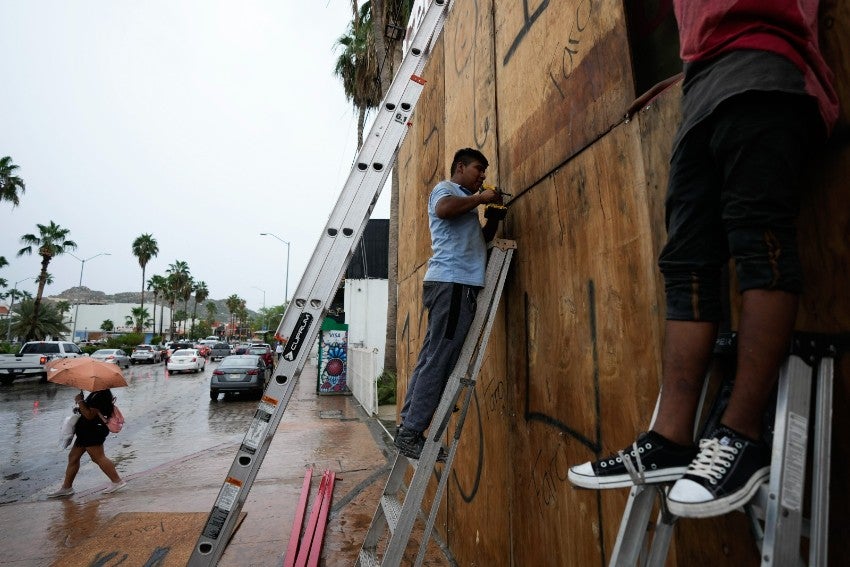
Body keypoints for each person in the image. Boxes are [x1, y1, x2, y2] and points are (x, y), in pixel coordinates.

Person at [568, 0, 837, 519]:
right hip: (699, 91)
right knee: (685, 266)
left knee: (761, 244)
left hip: (762, 62)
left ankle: (741, 435)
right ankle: (670, 439)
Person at [394, 147, 504, 460]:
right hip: (453, 284)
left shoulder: (464, 202)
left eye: (484, 172)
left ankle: (408, 426)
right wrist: (481, 199)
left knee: (432, 357)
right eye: (478, 169)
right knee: (440, 359)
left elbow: (478, 242)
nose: (482, 176)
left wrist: (493, 219)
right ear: (460, 167)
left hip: (452, 284)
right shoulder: (446, 190)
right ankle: (412, 432)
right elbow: (443, 210)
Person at [48, 389, 127, 497]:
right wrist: (80, 407)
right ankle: (67, 487)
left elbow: (89, 415)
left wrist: (80, 401)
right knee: (73, 457)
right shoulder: (96, 393)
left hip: (93, 431)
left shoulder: (101, 395)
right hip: (85, 432)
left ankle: (117, 481)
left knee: (98, 457)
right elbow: (89, 410)